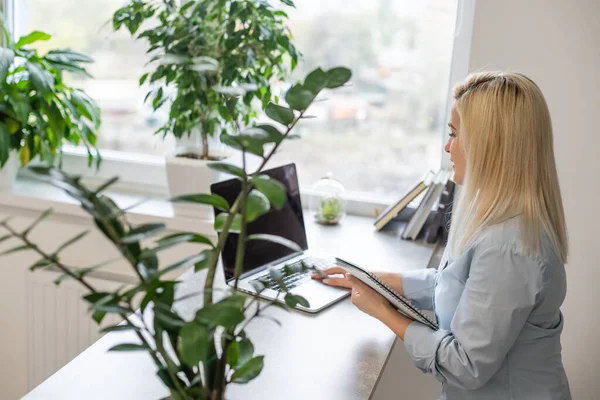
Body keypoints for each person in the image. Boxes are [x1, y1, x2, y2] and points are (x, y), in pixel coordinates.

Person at [313, 71, 571, 399]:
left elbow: (464, 366)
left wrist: (382, 310)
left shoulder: (508, 245)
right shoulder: (494, 219)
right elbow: (457, 285)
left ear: (488, 145)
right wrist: (368, 278)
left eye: (454, 134)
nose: (448, 147)